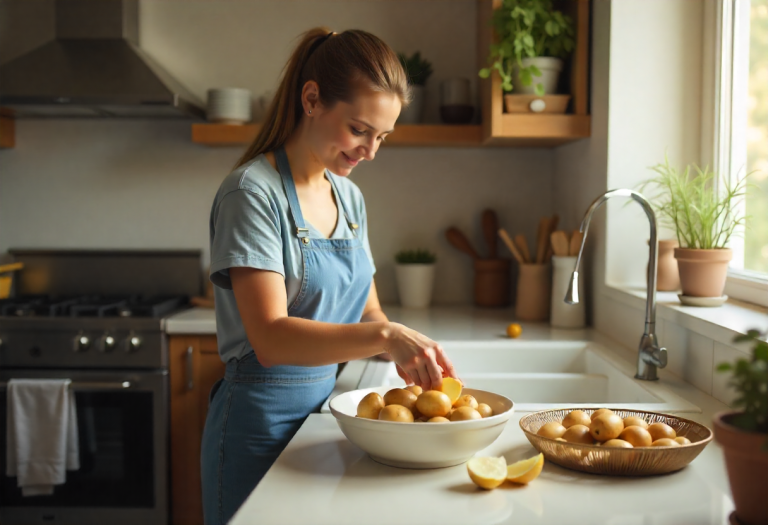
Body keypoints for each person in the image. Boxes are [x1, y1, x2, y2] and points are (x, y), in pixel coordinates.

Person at [200, 27, 459, 525]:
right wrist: (385, 335)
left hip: (326, 416)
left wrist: (409, 350)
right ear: (312, 99)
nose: (371, 151)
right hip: (257, 424)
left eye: (381, 137)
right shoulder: (252, 194)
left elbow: (369, 311)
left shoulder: (350, 198)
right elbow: (271, 339)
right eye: (360, 130)